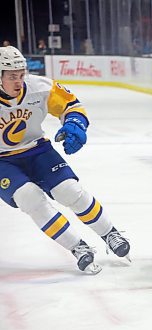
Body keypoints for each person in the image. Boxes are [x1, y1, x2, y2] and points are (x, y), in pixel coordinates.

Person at [0, 46, 130, 274]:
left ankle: (110, 233)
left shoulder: (39, 87)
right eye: (12, 76)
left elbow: (72, 105)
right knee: (28, 198)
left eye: (21, 75)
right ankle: (77, 247)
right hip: (3, 162)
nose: (19, 81)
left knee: (69, 190)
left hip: (36, 150)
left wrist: (74, 124)